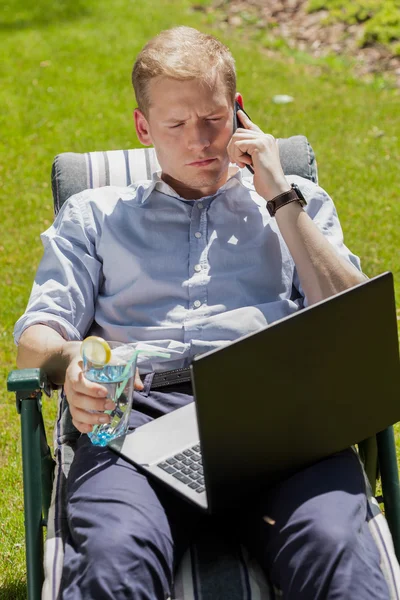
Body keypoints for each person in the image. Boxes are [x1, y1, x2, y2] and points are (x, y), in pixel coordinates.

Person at [14, 25, 391, 600]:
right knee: (115, 556)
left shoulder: (293, 202)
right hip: (136, 423)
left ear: (239, 112)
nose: (202, 142)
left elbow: (358, 328)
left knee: (336, 547)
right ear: (143, 127)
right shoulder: (95, 215)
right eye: (175, 125)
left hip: (278, 419)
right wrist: (71, 360)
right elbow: (35, 339)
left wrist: (281, 198)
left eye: (214, 119)